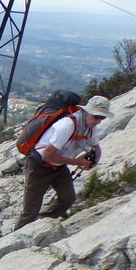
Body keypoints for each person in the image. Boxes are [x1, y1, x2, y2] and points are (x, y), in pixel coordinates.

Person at [14, 95, 112, 230]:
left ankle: (39, 224)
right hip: (39, 165)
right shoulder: (66, 125)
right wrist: (77, 162)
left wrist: (94, 160)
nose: (99, 121)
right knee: (30, 210)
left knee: (68, 198)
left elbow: (96, 147)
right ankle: (18, 238)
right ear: (86, 111)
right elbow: (47, 155)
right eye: (97, 116)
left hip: (59, 165)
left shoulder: (90, 127)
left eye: (102, 117)